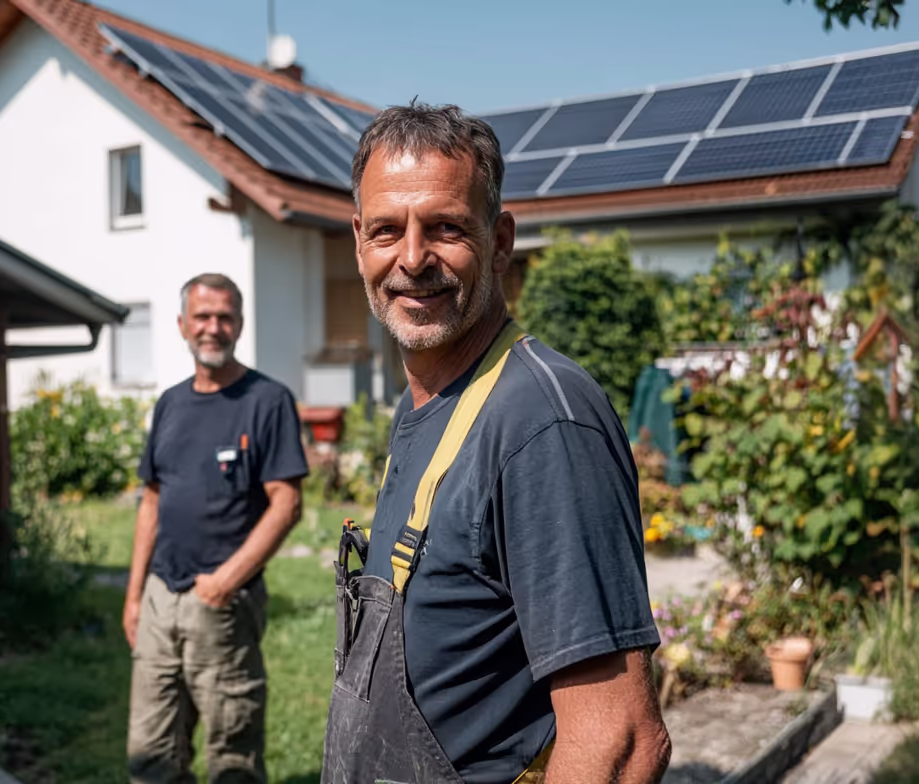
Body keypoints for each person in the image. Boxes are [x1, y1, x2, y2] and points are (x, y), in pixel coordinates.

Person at [320, 102, 671, 784]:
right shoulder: (427, 403)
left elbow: (622, 741)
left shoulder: (540, 421)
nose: (413, 258)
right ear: (359, 241)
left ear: (501, 241)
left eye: (446, 228)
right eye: (387, 231)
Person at [124, 273, 309, 784]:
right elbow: (152, 500)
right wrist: (136, 595)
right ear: (183, 325)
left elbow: (286, 503)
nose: (213, 328)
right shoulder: (170, 404)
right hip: (162, 595)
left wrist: (225, 582)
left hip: (222, 605)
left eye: (224, 317)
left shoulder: (267, 400)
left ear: (240, 324)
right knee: (150, 751)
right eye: (202, 317)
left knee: (233, 754)